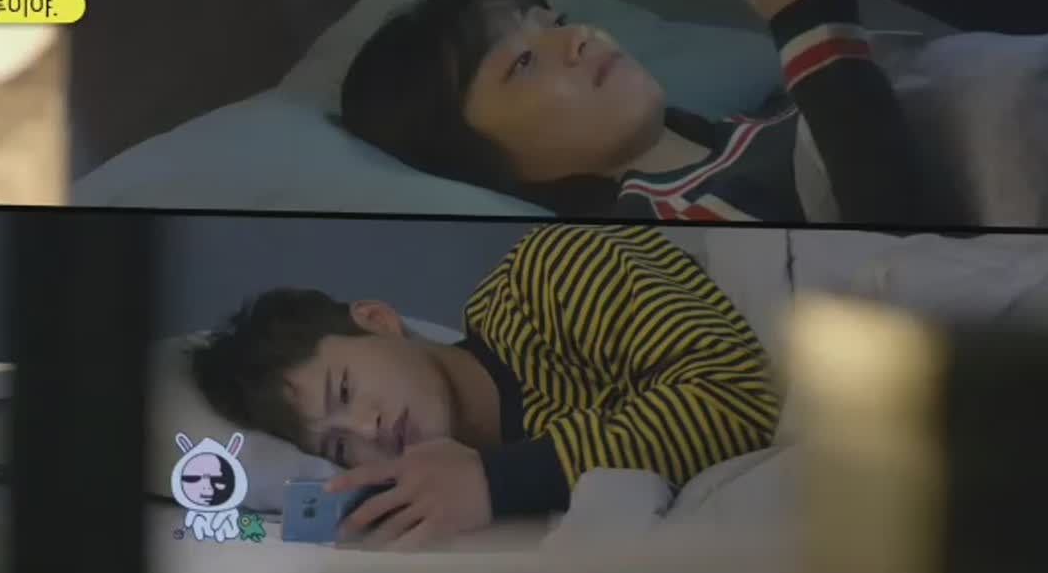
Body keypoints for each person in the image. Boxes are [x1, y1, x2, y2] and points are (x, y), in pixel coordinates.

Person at [339, 0, 1048, 226]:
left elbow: (1020, 15)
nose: (576, 38)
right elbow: (913, 264)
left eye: (553, 22)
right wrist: (811, 21)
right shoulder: (688, 225)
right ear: (491, 169)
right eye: (522, 62)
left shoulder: (781, 107)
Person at [193, 224, 781, 550]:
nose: (370, 430)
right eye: (341, 447)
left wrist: (498, 480)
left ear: (377, 319)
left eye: (344, 391)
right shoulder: (452, 497)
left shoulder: (550, 274)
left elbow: (738, 398)